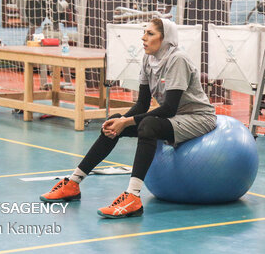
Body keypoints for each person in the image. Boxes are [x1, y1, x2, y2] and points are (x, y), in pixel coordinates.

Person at [40, 18, 217, 218]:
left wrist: (127, 122)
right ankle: (73, 183)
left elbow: (168, 108)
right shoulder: (148, 59)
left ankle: (132, 196)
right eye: (145, 32)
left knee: (147, 125)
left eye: (150, 34)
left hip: (197, 117)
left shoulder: (177, 59)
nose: (143, 38)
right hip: (176, 116)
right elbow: (142, 103)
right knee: (115, 121)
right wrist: (121, 121)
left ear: (165, 38)